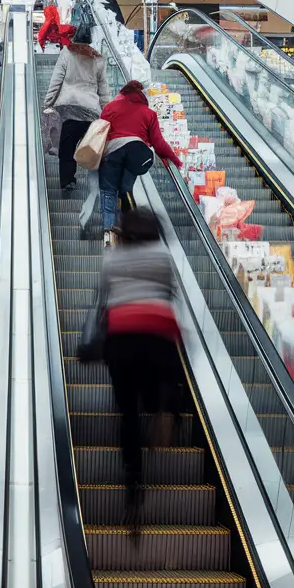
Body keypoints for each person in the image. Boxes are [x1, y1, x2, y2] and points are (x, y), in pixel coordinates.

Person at [99, 208, 184, 528]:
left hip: (121, 340)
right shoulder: (163, 257)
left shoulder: (112, 259)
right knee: (159, 382)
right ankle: (164, 408)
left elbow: (105, 299)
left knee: (128, 414)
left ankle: (133, 483)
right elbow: (170, 295)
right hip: (157, 337)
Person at [96, 80, 182, 246]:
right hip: (137, 153)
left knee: (108, 190)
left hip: (112, 152)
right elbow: (159, 144)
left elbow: (101, 133)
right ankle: (133, 229)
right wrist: (174, 160)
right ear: (141, 97)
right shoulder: (148, 113)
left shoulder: (110, 108)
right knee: (125, 189)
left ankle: (108, 229)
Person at [42, 27, 111, 191]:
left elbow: (56, 80)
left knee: (66, 149)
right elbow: (104, 89)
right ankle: (99, 184)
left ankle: (68, 181)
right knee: (94, 147)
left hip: (70, 110)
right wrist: (107, 111)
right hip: (91, 111)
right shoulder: (98, 59)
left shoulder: (67, 53)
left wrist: (48, 103)